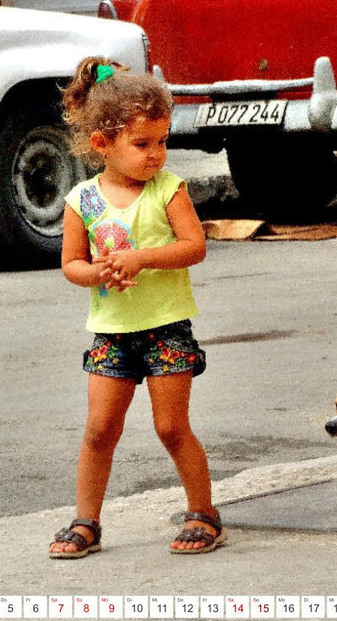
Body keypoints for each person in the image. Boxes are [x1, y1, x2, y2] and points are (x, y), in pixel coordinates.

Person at [48, 56, 226, 559]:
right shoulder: (82, 200)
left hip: (166, 328)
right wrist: (98, 272)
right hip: (112, 333)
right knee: (100, 429)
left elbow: (194, 246)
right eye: (142, 144)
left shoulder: (169, 190)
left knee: (171, 427)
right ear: (102, 143)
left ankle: (204, 514)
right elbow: (72, 266)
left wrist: (142, 258)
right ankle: (86, 522)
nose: (156, 155)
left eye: (163, 141)